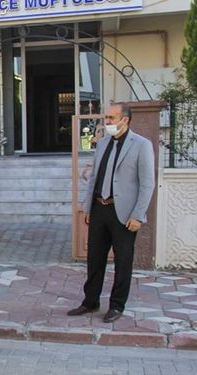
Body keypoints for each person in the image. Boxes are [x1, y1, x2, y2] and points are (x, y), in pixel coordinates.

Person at [67, 102, 155, 323]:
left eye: (111, 118)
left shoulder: (141, 145)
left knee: (123, 261)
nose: (106, 123)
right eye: (106, 118)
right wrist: (88, 207)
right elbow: (95, 177)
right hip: (99, 208)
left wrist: (138, 215)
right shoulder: (103, 143)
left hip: (123, 213)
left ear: (125, 120)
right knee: (94, 258)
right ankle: (90, 301)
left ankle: (117, 305)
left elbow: (147, 184)